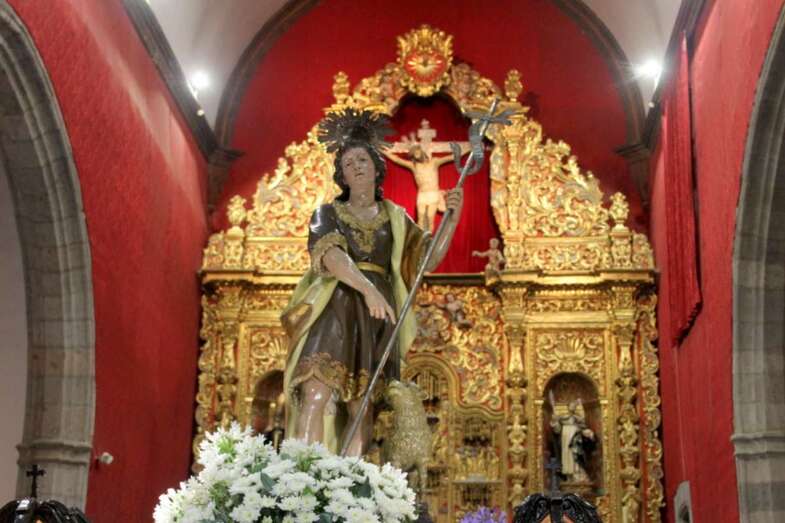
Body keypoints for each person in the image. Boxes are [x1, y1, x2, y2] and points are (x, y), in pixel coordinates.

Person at [281, 109, 464, 456]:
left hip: (376, 317)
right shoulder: (328, 214)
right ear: (342, 175)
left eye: (363, 159)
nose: (357, 166)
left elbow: (426, 260)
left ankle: (349, 484)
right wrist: (367, 290)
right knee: (315, 392)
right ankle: (304, 475)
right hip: (336, 306)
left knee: (362, 407)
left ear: (377, 168)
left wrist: (452, 219)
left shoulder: (396, 218)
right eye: (348, 163)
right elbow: (331, 255)